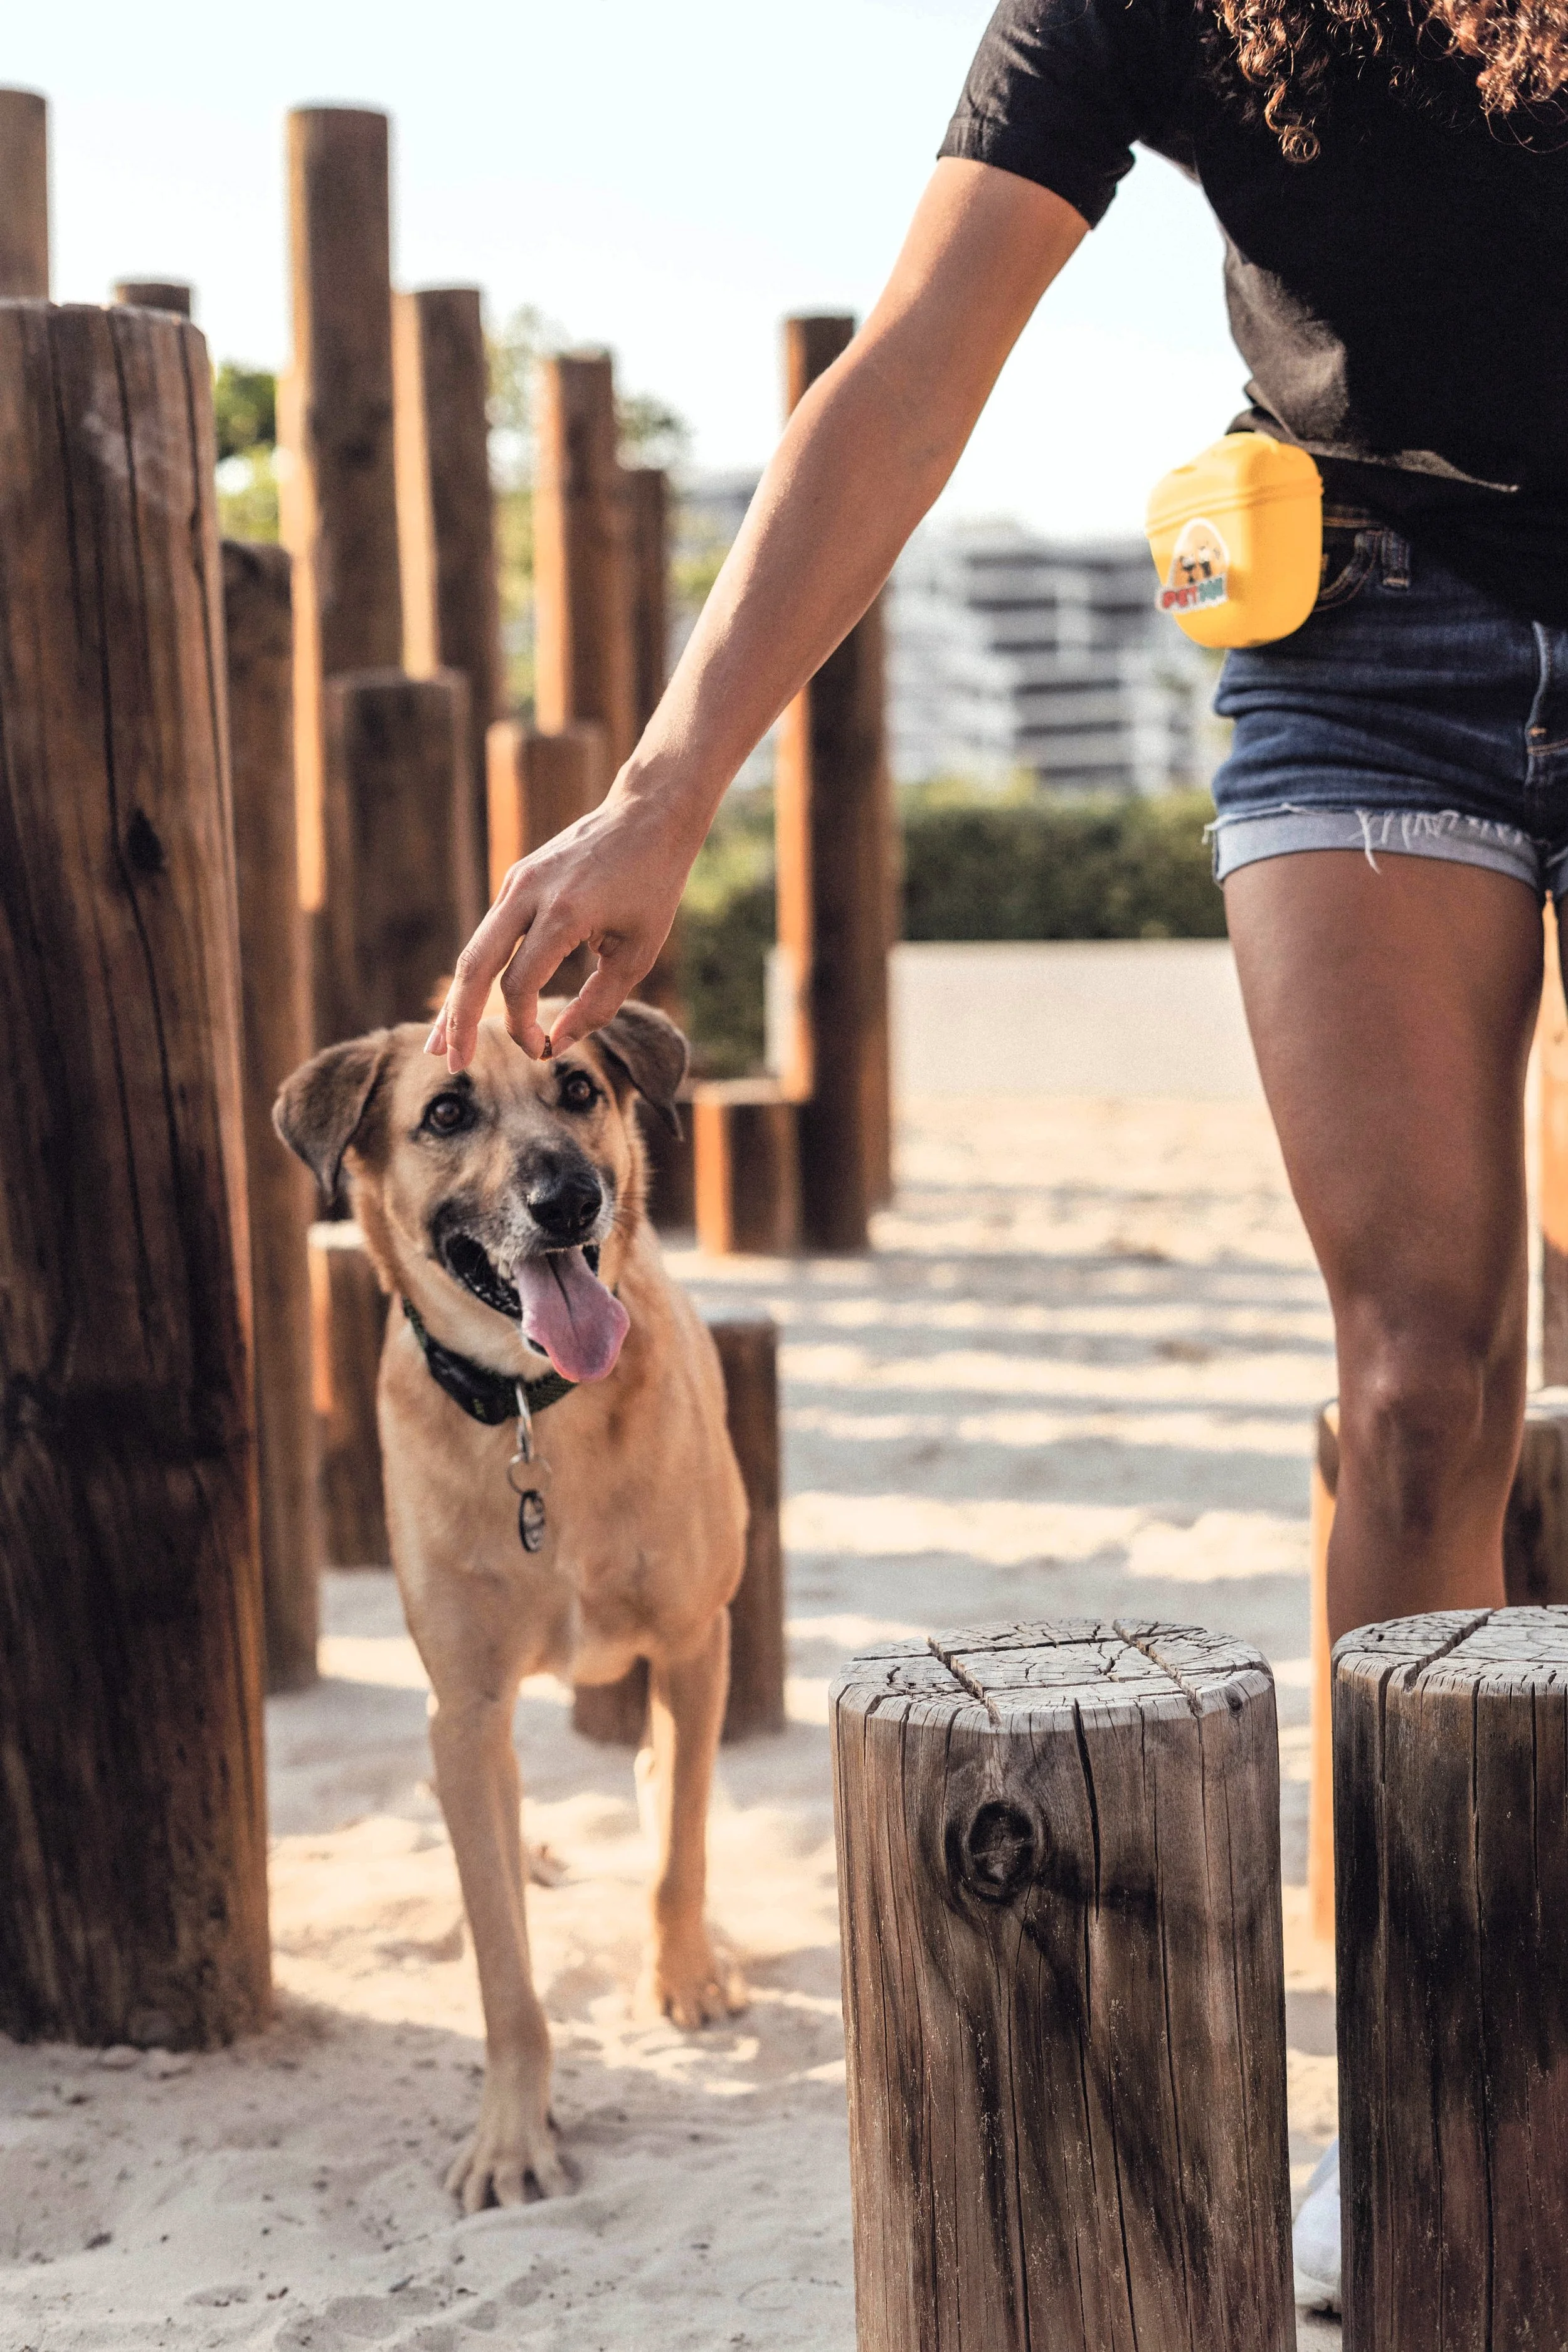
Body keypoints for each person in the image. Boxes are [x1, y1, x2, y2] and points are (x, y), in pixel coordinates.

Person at [429, 0, 1568, 2307]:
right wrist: (668, 782)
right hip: (1363, 624)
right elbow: (919, 361)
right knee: (1420, 1372)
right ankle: (1422, 2091)